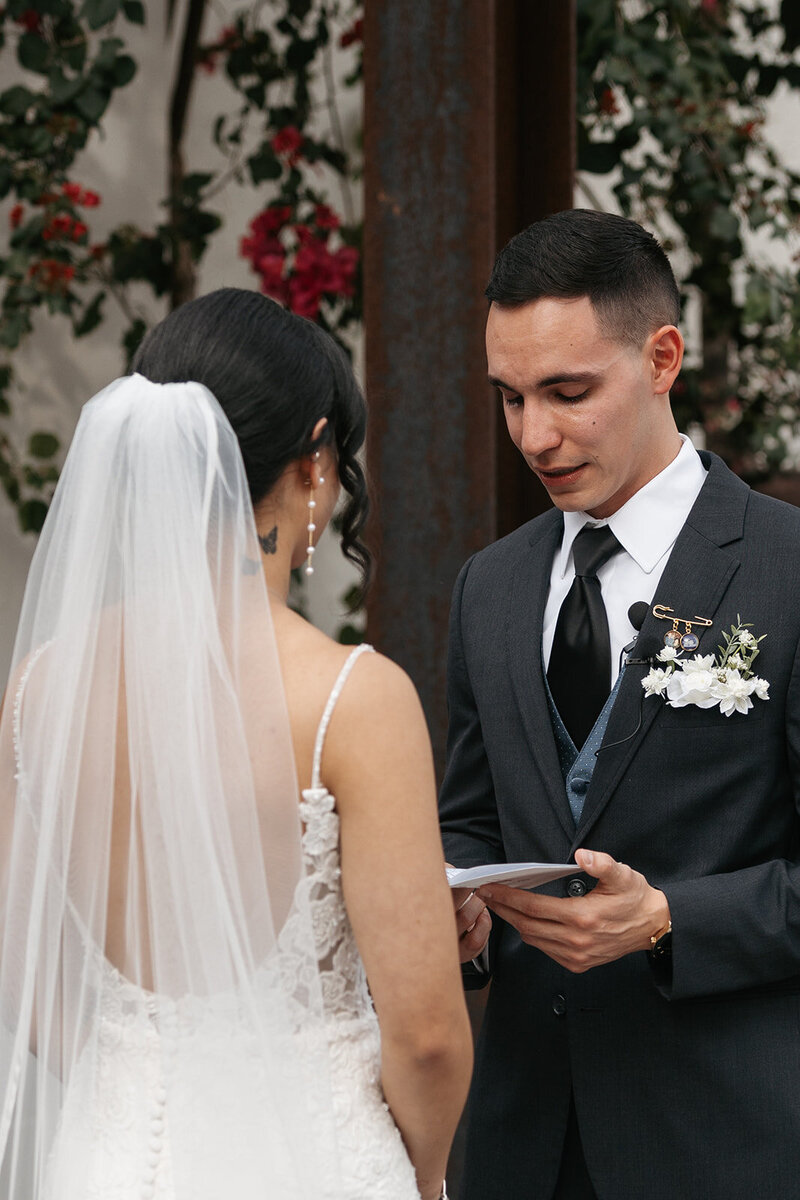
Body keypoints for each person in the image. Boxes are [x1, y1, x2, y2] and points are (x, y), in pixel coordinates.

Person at [0, 288, 472, 1200]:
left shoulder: (38, 689)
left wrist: (137, 1071)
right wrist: (425, 1169)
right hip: (315, 1162)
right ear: (316, 458)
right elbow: (426, 1036)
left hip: (108, 1159)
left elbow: (26, 978)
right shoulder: (349, 700)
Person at [439, 209, 800, 1200]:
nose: (533, 436)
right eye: (507, 399)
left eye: (566, 393)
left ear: (660, 357)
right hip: (522, 1143)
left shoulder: (785, 569)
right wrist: (460, 908)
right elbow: (470, 815)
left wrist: (667, 918)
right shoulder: (491, 585)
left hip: (727, 1143)